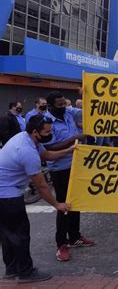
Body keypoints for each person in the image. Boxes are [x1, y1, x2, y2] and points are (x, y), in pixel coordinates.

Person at [0, 115, 74, 283]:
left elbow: (47, 155)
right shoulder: (26, 151)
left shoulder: (27, 139)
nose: (51, 134)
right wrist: (57, 204)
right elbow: (41, 186)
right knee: (20, 234)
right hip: (7, 195)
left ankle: (12, 269)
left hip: (6, 192)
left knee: (9, 233)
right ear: (35, 132)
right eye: (47, 132)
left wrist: (69, 151)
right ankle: (25, 272)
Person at [43, 91, 94, 262]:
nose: (64, 107)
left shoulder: (68, 112)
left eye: (64, 104)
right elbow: (50, 148)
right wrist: (75, 139)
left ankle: (74, 236)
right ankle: (61, 244)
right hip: (60, 169)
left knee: (76, 202)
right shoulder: (46, 122)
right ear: (50, 106)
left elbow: (89, 110)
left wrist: (87, 93)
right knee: (64, 204)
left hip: (76, 165)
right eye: (60, 105)